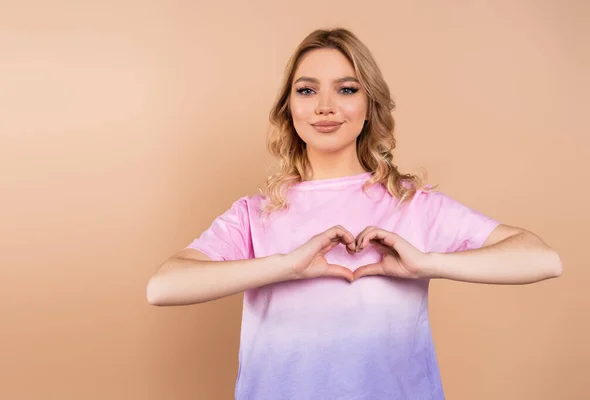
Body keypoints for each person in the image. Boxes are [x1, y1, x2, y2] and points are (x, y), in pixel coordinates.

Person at [146, 27, 562, 400]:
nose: (325, 106)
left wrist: (427, 263)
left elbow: (543, 259)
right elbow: (163, 288)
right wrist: (285, 266)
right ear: (288, 107)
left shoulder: (411, 202)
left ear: (369, 106)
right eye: (307, 90)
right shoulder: (256, 214)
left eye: (347, 89)